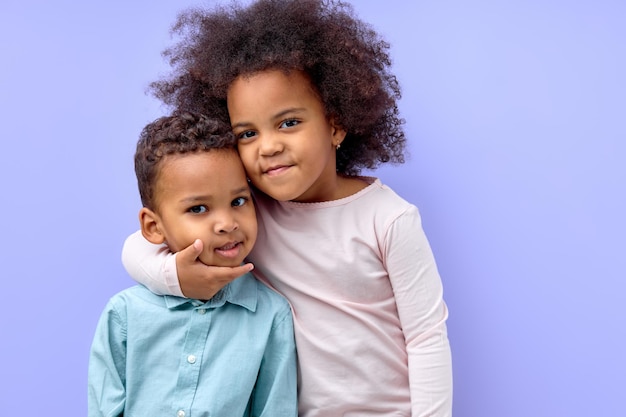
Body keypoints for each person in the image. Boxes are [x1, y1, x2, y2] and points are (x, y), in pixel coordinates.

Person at [123, 0, 453, 415]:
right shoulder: (247, 213)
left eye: (289, 123)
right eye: (247, 133)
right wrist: (175, 278)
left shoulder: (388, 218)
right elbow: (137, 247)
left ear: (335, 123)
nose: (269, 145)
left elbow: (426, 338)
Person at [89, 112, 297, 417]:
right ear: (153, 226)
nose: (227, 224)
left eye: (239, 201)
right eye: (198, 208)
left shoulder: (271, 316)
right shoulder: (124, 315)